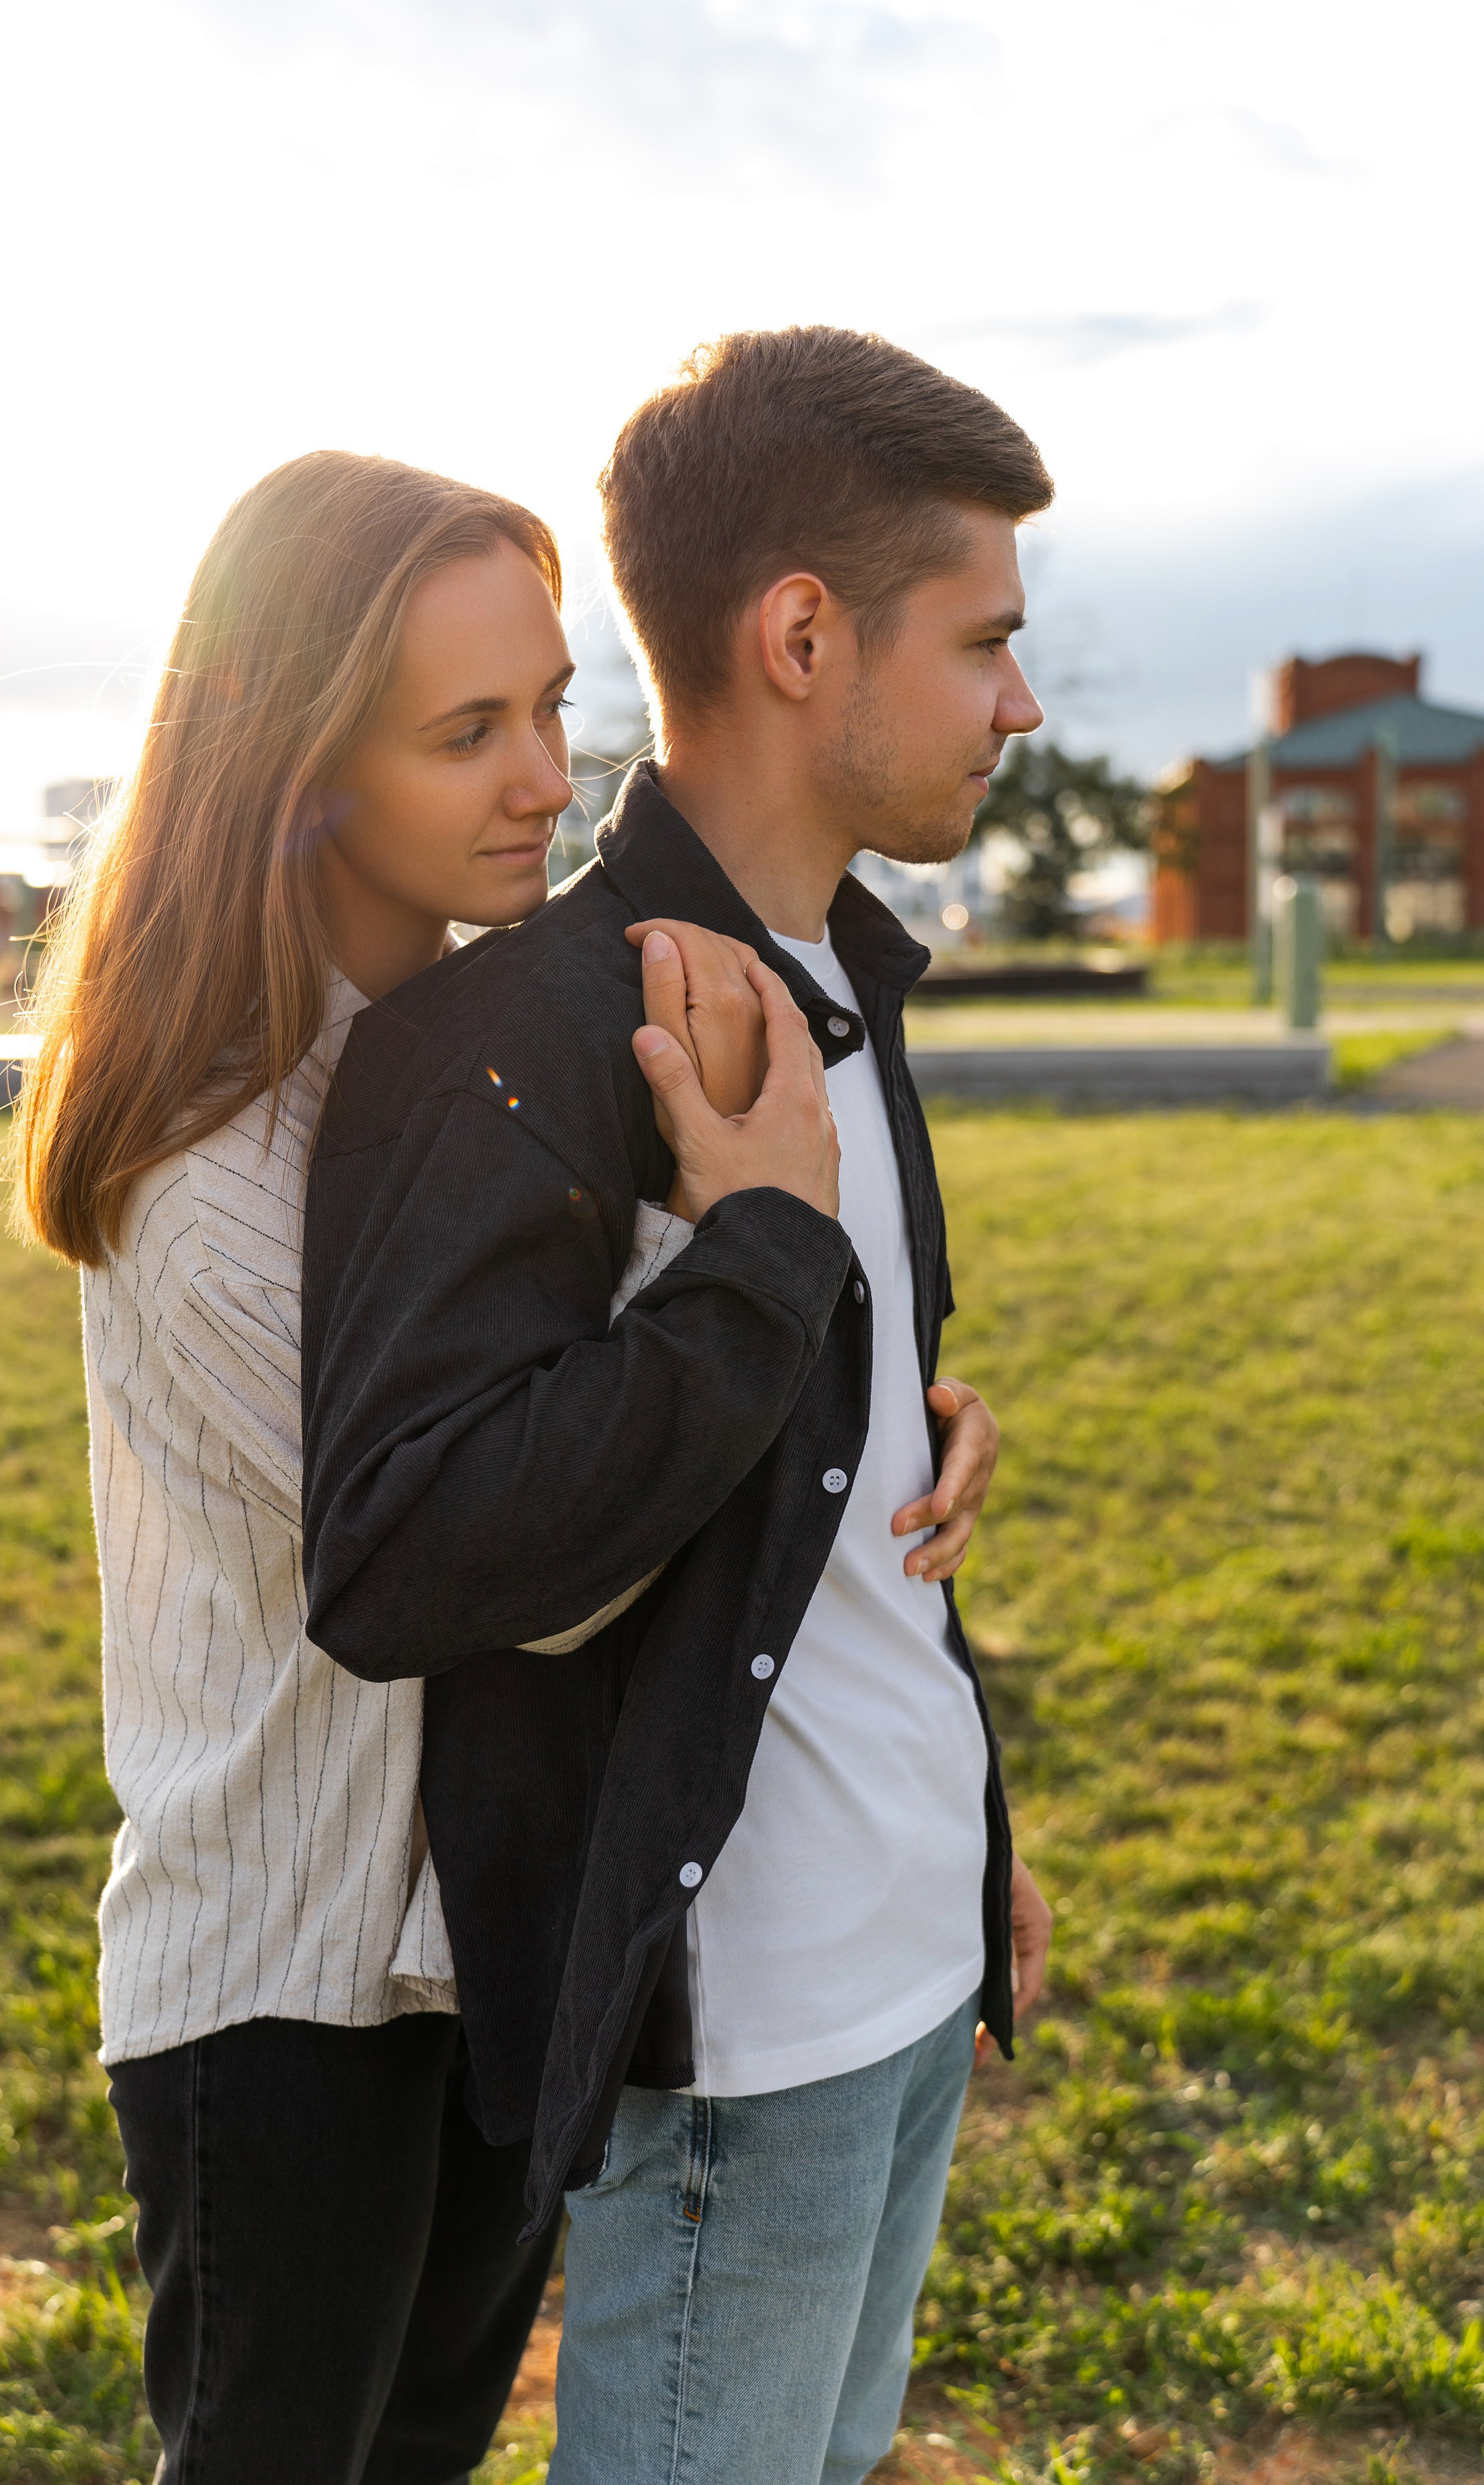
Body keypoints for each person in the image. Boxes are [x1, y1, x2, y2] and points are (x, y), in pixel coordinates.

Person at [299, 325, 1056, 2485]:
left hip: (908, 1961)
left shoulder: (841, 977)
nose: (1016, 698)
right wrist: (762, 1267)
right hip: (742, 2032)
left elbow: (810, 1477)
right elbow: (403, 1547)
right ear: (803, 634)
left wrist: (966, 1810)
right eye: (986, 639)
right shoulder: (517, 1029)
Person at [7, 447, 808, 2484]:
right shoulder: (206, 1165)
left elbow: (619, 1422)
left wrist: (836, 1386)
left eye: (551, 704)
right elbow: (519, 1548)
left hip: (483, 1937)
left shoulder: (462, 1069)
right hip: (280, 1989)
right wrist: (748, 1263)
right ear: (298, 768)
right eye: (468, 732)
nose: (548, 774)